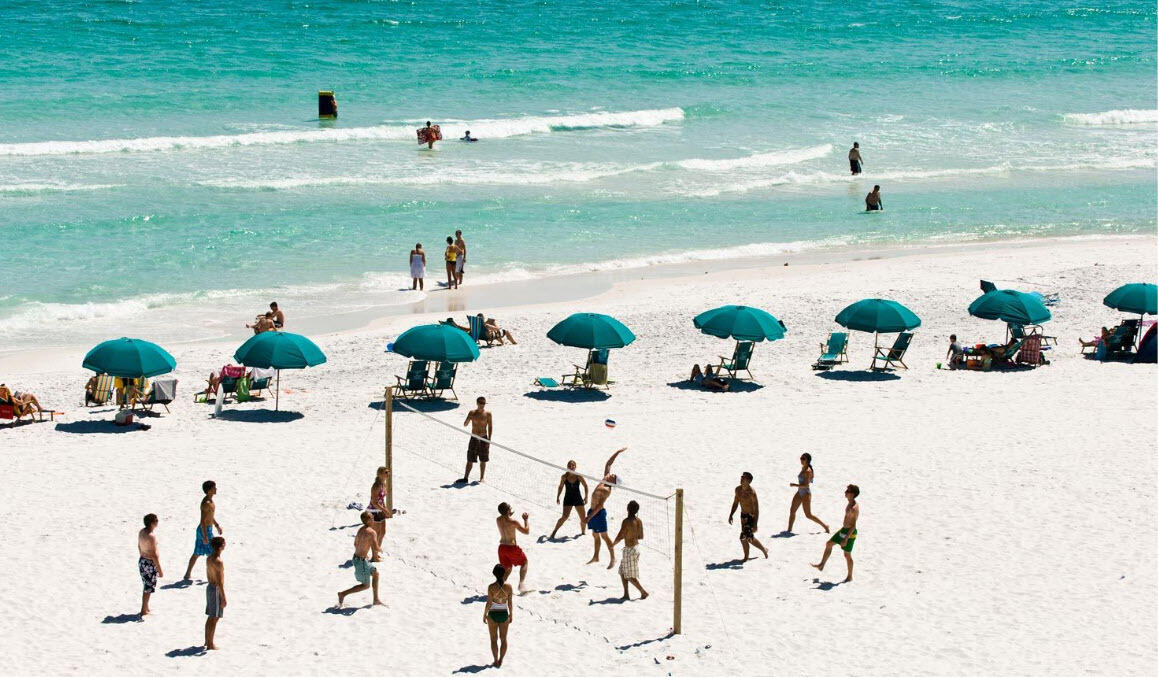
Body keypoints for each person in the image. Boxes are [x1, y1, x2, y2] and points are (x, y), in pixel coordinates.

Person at [586, 447, 627, 569]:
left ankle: (613, 558)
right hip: (592, 511)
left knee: (604, 536)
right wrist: (618, 452)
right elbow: (608, 463)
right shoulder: (605, 479)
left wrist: (589, 517)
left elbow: (599, 506)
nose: (612, 474)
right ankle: (596, 556)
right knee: (595, 535)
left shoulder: (606, 490)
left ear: (613, 482)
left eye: (613, 476)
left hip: (597, 513)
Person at [813, 484, 860, 583]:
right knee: (829, 544)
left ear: (852, 494)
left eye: (847, 491)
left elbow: (853, 526)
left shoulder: (854, 508)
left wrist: (846, 538)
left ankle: (850, 576)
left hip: (850, 533)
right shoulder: (850, 503)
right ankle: (822, 565)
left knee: (847, 555)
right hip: (844, 530)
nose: (845, 492)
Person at [338, 511, 385, 607]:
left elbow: (355, 543)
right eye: (372, 518)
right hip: (361, 561)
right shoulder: (372, 532)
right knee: (365, 585)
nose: (373, 519)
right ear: (368, 521)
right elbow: (376, 548)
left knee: (375, 573)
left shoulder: (360, 529)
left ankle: (376, 599)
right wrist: (381, 550)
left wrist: (363, 552)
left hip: (357, 558)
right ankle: (342, 594)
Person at [183, 480, 222, 580]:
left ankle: (188, 573)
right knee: (210, 552)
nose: (216, 489)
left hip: (207, 529)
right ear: (209, 490)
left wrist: (217, 525)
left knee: (198, 553)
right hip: (203, 530)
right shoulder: (206, 503)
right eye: (214, 487)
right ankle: (211, 575)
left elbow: (210, 516)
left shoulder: (211, 501)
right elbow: (203, 521)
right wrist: (205, 536)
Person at [611, 500, 649, 601]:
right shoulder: (639, 520)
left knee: (629, 575)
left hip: (630, 550)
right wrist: (632, 534)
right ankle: (626, 594)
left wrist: (613, 544)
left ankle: (643, 592)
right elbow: (641, 536)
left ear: (628, 509)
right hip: (635, 548)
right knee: (622, 572)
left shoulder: (626, 521)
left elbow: (620, 535)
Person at [728, 472, 769, 560]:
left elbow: (756, 509)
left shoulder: (752, 493)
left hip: (751, 516)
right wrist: (731, 514)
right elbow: (735, 503)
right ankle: (763, 549)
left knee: (744, 537)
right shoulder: (738, 490)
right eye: (741, 477)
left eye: (744, 478)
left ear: (749, 481)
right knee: (748, 538)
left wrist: (755, 524)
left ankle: (747, 557)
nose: (741, 478)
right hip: (743, 516)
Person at [787, 453, 829, 533]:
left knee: (808, 515)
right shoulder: (803, 468)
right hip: (799, 492)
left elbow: (806, 485)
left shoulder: (808, 471)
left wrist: (795, 485)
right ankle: (789, 530)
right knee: (792, 511)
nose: (801, 460)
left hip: (806, 493)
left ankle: (825, 526)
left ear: (807, 460)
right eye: (801, 458)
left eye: (803, 459)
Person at [483, 563, 513, 667]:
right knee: (503, 639)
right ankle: (501, 660)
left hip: (493, 614)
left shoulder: (491, 587)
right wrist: (511, 615)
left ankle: (495, 660)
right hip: (504, 614)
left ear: (494, 574)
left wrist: (484, 614)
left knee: (493, 639)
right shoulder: (508, 587)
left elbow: (489, 603)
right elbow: (510, 603)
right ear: (504, 573)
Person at [496, 502, 530, 592]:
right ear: (508, 511)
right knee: (524, 563)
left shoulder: (498, 520)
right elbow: (526, 531)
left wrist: (507, 514)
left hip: (502, 548)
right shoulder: (513, 522)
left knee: (507, 568)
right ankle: (521, 585)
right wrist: (525, 520)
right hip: (511, 548)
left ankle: (499, 586)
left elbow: (504, 517)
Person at [550, 460, 589, 539]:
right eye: (569, 466)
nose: (571, 467)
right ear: (567, 467)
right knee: (564, 517)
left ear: (575, 467)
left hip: (578, 498)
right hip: (568, 498)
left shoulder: (579, 476)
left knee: (583, 518)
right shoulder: (564, 476)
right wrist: (558, 496)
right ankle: (554, 532)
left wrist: (586, 497)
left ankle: (583, 532)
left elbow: (585, 485)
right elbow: (560, 486)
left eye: (573, 465)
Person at [458, 397, 492, 483]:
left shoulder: (488, 414)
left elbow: (490, 427)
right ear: (477, 403)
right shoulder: (472, 412)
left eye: (483, 403)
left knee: (483, 459)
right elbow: (465, 424)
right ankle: (465, 477)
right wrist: (468, 418)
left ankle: (482, 478)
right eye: (480, 403)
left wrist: (489, 440)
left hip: (483, 437)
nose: (482, 405)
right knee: (470, 458)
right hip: (474, 437)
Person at [138, 513, 163, 617]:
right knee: (148, 588)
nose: (158, 522)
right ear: (152, 523)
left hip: (142, 560)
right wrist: (159, 569)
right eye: (156, 520)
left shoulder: (142, 532)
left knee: (146, 585)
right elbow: (153, 554)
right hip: (149, 562)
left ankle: (146, 607)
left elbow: (139, 546)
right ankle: (143, 610)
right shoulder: (151, 536)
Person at [204, 536, 226, 650]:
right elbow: (220, 582)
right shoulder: (219, 561)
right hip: (216, 589)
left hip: (209, 587)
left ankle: (207, 640)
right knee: (215, 617)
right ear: (221, 546)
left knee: (210, 617)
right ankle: (210, 643)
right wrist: (224, 598)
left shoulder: (209, 558)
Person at [368, 466, 391, 560]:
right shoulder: (376, 486)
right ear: (380, 474)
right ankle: (374, 555)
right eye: (386, 472)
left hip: (380, 509)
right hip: (374, 510)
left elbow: (381, 499)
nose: (388, 474)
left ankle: (376, 553)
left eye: (388, 472)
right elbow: (374, 502)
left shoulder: (383, 484)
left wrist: (385, 509)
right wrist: (384, 510)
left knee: (382, 533)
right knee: (376, 534)